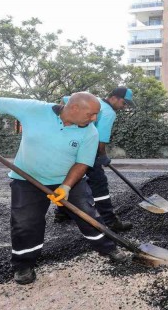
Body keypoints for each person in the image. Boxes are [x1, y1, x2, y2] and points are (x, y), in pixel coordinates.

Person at [0, 92, 126, 285]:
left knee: (88, 214)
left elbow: (82, 163)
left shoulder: (90, 131)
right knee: (25, 222)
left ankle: (108, 248)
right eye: (91, 114)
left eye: (96, 115)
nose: (94, 119)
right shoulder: (34, 109)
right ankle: (23, 265)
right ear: (74, 108)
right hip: (27, 180)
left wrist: (66, 187)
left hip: (68, 180)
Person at [53, 87, 135, 233]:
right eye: (124, 102)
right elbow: (100, 141)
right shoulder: (109, 112)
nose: (125, 106)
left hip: (70, 148)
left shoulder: (91, 101)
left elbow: (65, 100)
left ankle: (62, 213)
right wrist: (102, 156)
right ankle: (110, 221)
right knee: (99, 184)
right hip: (87, 150)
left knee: (71, 180)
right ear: (114, 98)